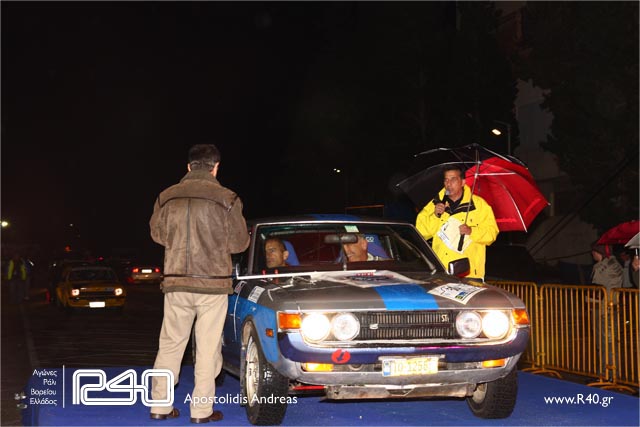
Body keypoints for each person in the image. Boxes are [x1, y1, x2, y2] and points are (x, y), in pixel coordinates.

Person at [148, 144, 250, 423]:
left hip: (176, 282)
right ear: (216, 167)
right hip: (212, 285)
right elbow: (239, 243)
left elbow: (158, 235)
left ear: (188, 166)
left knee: (170, 345)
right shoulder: (228, 198)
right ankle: (201, 411)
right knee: (207, 349)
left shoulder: (166, 197)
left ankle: (160, 406)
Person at [415, 165, 499, 280]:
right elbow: (421, 233)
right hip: (442, 273)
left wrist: (472, 231)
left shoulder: (479, 205)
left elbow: (491, 234)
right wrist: (435, 216)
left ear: (463, 182)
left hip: (469, 274)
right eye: (446, 180)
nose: (448, 184)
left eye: (453, 179)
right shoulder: (434, 203)